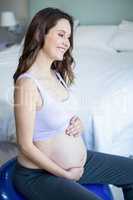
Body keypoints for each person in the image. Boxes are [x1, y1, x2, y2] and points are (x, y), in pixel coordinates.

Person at [12, 7, 133, 200]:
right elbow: (25, 145)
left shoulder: (56, 74)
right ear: (39, 33)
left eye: (68, 37)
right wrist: (65, 174)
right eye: (61, 35)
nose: (66, 43)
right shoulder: (26, 84)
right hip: (39, 175)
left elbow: (55, 115)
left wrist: (77, 122)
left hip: (80, 162)